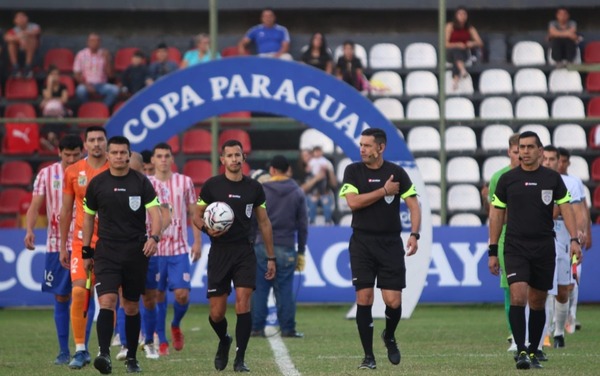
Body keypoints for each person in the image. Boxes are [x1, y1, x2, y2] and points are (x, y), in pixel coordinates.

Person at [488, 131, 582, 370]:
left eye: (530, 147)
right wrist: (492, 249)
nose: (525, 151)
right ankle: (521, 350)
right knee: (518, 296)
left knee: (538, 301)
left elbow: (566, 208)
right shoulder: (508, 180)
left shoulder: (552, 179)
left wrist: (574, 239)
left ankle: (533, 349)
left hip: (543, 246)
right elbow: (496, 214)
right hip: (515, 246)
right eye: (522, 147)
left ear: (540, 151)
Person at [339, 128, 421, 369]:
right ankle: (368, 357)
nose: (362, 149)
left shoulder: (396, 173)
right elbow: (353, 203)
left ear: (381, 148)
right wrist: (384, 191)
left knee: (393, 301)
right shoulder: (352, 170)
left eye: (367, 145)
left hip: (390, 243)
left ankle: (390, 335)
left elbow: (414, 206)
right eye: (361, 145)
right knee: (364, 298)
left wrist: (415, 234)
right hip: (362, 242)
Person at [192, 139, 276, 372]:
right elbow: (196, 216)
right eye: (230, 156)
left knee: (243, 303)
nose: (235, 159)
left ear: (243, 158)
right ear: (222, 160)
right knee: (216, 313)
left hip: (244, 251)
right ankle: (224, 340)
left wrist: (271, 257)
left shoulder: (254, 188)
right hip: (219, 251)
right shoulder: (211, 186)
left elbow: (264, 222)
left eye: (238, 155)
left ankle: (240, 358)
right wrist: (207, 229)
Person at [81, 136, 162, 374]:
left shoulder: (141, 182)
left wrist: (154, 237)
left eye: (122, 153)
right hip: (106, 251)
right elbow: (87, 217)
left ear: (128, 155)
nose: (118, 156)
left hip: (135, 251)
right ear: (107, 155)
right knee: (106, 301)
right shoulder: (97, 184)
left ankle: (132, 358)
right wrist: (86, 250)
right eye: (114, 152)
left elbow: (155, 213)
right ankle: (104, 354)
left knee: (131, 306)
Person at [24, 134, 83, 365]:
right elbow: (35, 205)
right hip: (55, 244)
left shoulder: (88, 172)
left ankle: (82, 349)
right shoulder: (47, 174)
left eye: (75, 154)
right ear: (59, 153)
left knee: (82, 295)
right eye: (66, 154)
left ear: (81, 152)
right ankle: (63, 351)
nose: (70, 159)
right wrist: (29, 229)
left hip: (84, 242)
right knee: (61, 295)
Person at [59, 125, 109, 369]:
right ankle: (80, 350)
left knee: (107, 297)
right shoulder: (73, 171)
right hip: (81, 241)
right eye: (92, 140)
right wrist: (62, 246)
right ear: (85, 145)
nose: (96, 143)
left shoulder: (117, 168)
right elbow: (66, 210)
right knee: (79, 291)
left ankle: (104, 350)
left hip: (111, 243)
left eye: (100, 139)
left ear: (106, 142)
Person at [148, 142, 201, 356]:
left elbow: (193, 212)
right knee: (158, 294)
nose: (162, 159)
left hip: (179, 247)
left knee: (182, 295)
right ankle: (161, 339)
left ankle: (176, 324)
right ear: (152, 160)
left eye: (166, 155)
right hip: (155, 249)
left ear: (172, 159)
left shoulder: (184, 182)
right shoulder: (146, 183)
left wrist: (197, 241)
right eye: (158, 156)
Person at [251, 155, 308, 338]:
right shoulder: (297, 191)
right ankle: (288, 329)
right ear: (288, 169)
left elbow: (253, 220)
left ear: (272, 170)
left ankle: (256, 328)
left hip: (261, 245)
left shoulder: (261, 190)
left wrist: (253, 242)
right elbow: (303, 225)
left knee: (260, 289)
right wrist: (301, 252)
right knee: (284, 290)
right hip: (286, 246)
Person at [541, 145, 586, 349]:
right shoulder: (536, 181)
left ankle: (559, 331)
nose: (549, 163)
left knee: (562, 289)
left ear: (559, 161)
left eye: (553, 159)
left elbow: (577, 211)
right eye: (546, 159)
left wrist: (578, 234)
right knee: (544, 290)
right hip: (543, 238)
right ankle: (546, 334)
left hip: (564, 237)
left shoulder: (570, 183)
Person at [486, 133, 520, 352]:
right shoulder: (499, 177)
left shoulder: (540, 176)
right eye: (516, 151)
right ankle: (515, 334)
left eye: (524, 151)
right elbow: (494, 214)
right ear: (509, 152)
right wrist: (493, 246)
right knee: (510, 288)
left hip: (533, 236)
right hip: (507, 237)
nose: (520, 156)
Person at [556, 147, 591, 334]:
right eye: (556, 160)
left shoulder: (574, 182)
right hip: (555, 234)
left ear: (567, 162)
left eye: (562, 161)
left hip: (571, 235)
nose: (559, 164)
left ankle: (571, 316)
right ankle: (556, 321)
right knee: (556, 280)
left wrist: (584, 232)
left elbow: (582, 209)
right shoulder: (547, 180)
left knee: (573, 277)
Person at [73, 33, 119, 107]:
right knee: (80, 90)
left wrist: (107, 59)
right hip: (86, 84)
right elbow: (76, 74)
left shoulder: (104, 54)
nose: (94, 43)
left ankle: (102, 108)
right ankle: (88, 108)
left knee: (114, 90)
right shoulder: (81, 54)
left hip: (102, 85)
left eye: (97, 41)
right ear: (87, 42)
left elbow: (110, 75)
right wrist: (87, 85)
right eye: (92, 41)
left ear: (100, 43)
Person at [445, 7, 483, 90]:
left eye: (464, 14)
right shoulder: (450, 26)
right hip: (450, 53)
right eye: (460, 14)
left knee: (458, 55)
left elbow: (480, 42)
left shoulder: (470, 28)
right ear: (456, 15)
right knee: (456, 51)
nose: (462, 16)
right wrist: (456, 44)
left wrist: (472, 43)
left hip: (464, 53)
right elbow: (445, 44)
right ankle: (462, 71)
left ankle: (456, 80)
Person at [305, 146, 337, 225]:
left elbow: (332, 178)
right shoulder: (311, 161)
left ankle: (328, 221)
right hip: (314, 182)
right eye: (316, 151)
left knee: (326, 204)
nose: (317, 153)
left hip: (324, 182)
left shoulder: (325, 161)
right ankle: (311, 221)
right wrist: (309, 169)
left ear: (322, 152)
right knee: (312, 204)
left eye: (319, 151)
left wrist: (326, 170)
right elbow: (307, 170)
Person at [4, 11, 40, 78]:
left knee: (32, 39)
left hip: (33, 57)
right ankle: (15, 68)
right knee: (11, 44)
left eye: (23, 17)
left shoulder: (34, 26)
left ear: (27, 18)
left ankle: (28, 68)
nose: (21, 19)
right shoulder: (14, 30)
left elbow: (37, 31)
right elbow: (6, 37)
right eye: (18, 17)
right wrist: (19, 40)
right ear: (15, 21)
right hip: (19, 56)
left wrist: (24, 35)